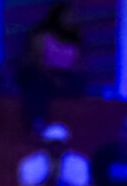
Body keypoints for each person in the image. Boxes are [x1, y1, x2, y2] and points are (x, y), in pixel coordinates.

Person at [16, 2, 85, 131]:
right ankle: (37, 123)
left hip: (65, 76)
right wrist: (53, 78)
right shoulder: (41, 36)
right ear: (58, 17)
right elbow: (37, 62)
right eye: (68, 16)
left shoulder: (76, 38)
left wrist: (65, 78)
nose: (73, 19)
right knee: (37, 83)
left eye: (74, 16)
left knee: (79, 82)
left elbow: (78, 65)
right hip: (41, 73)